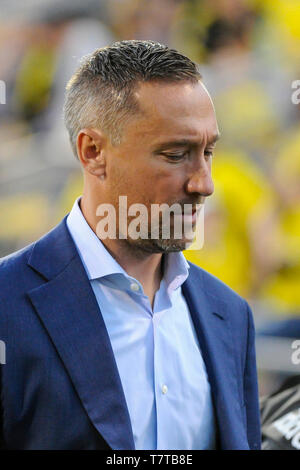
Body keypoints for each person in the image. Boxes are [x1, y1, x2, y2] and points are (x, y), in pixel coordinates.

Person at [0, 40, 261, 450]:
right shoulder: (6, 305)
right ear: (93, 152)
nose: (204, 183)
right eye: (176, 154)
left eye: (208, 151)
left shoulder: (230, 315)